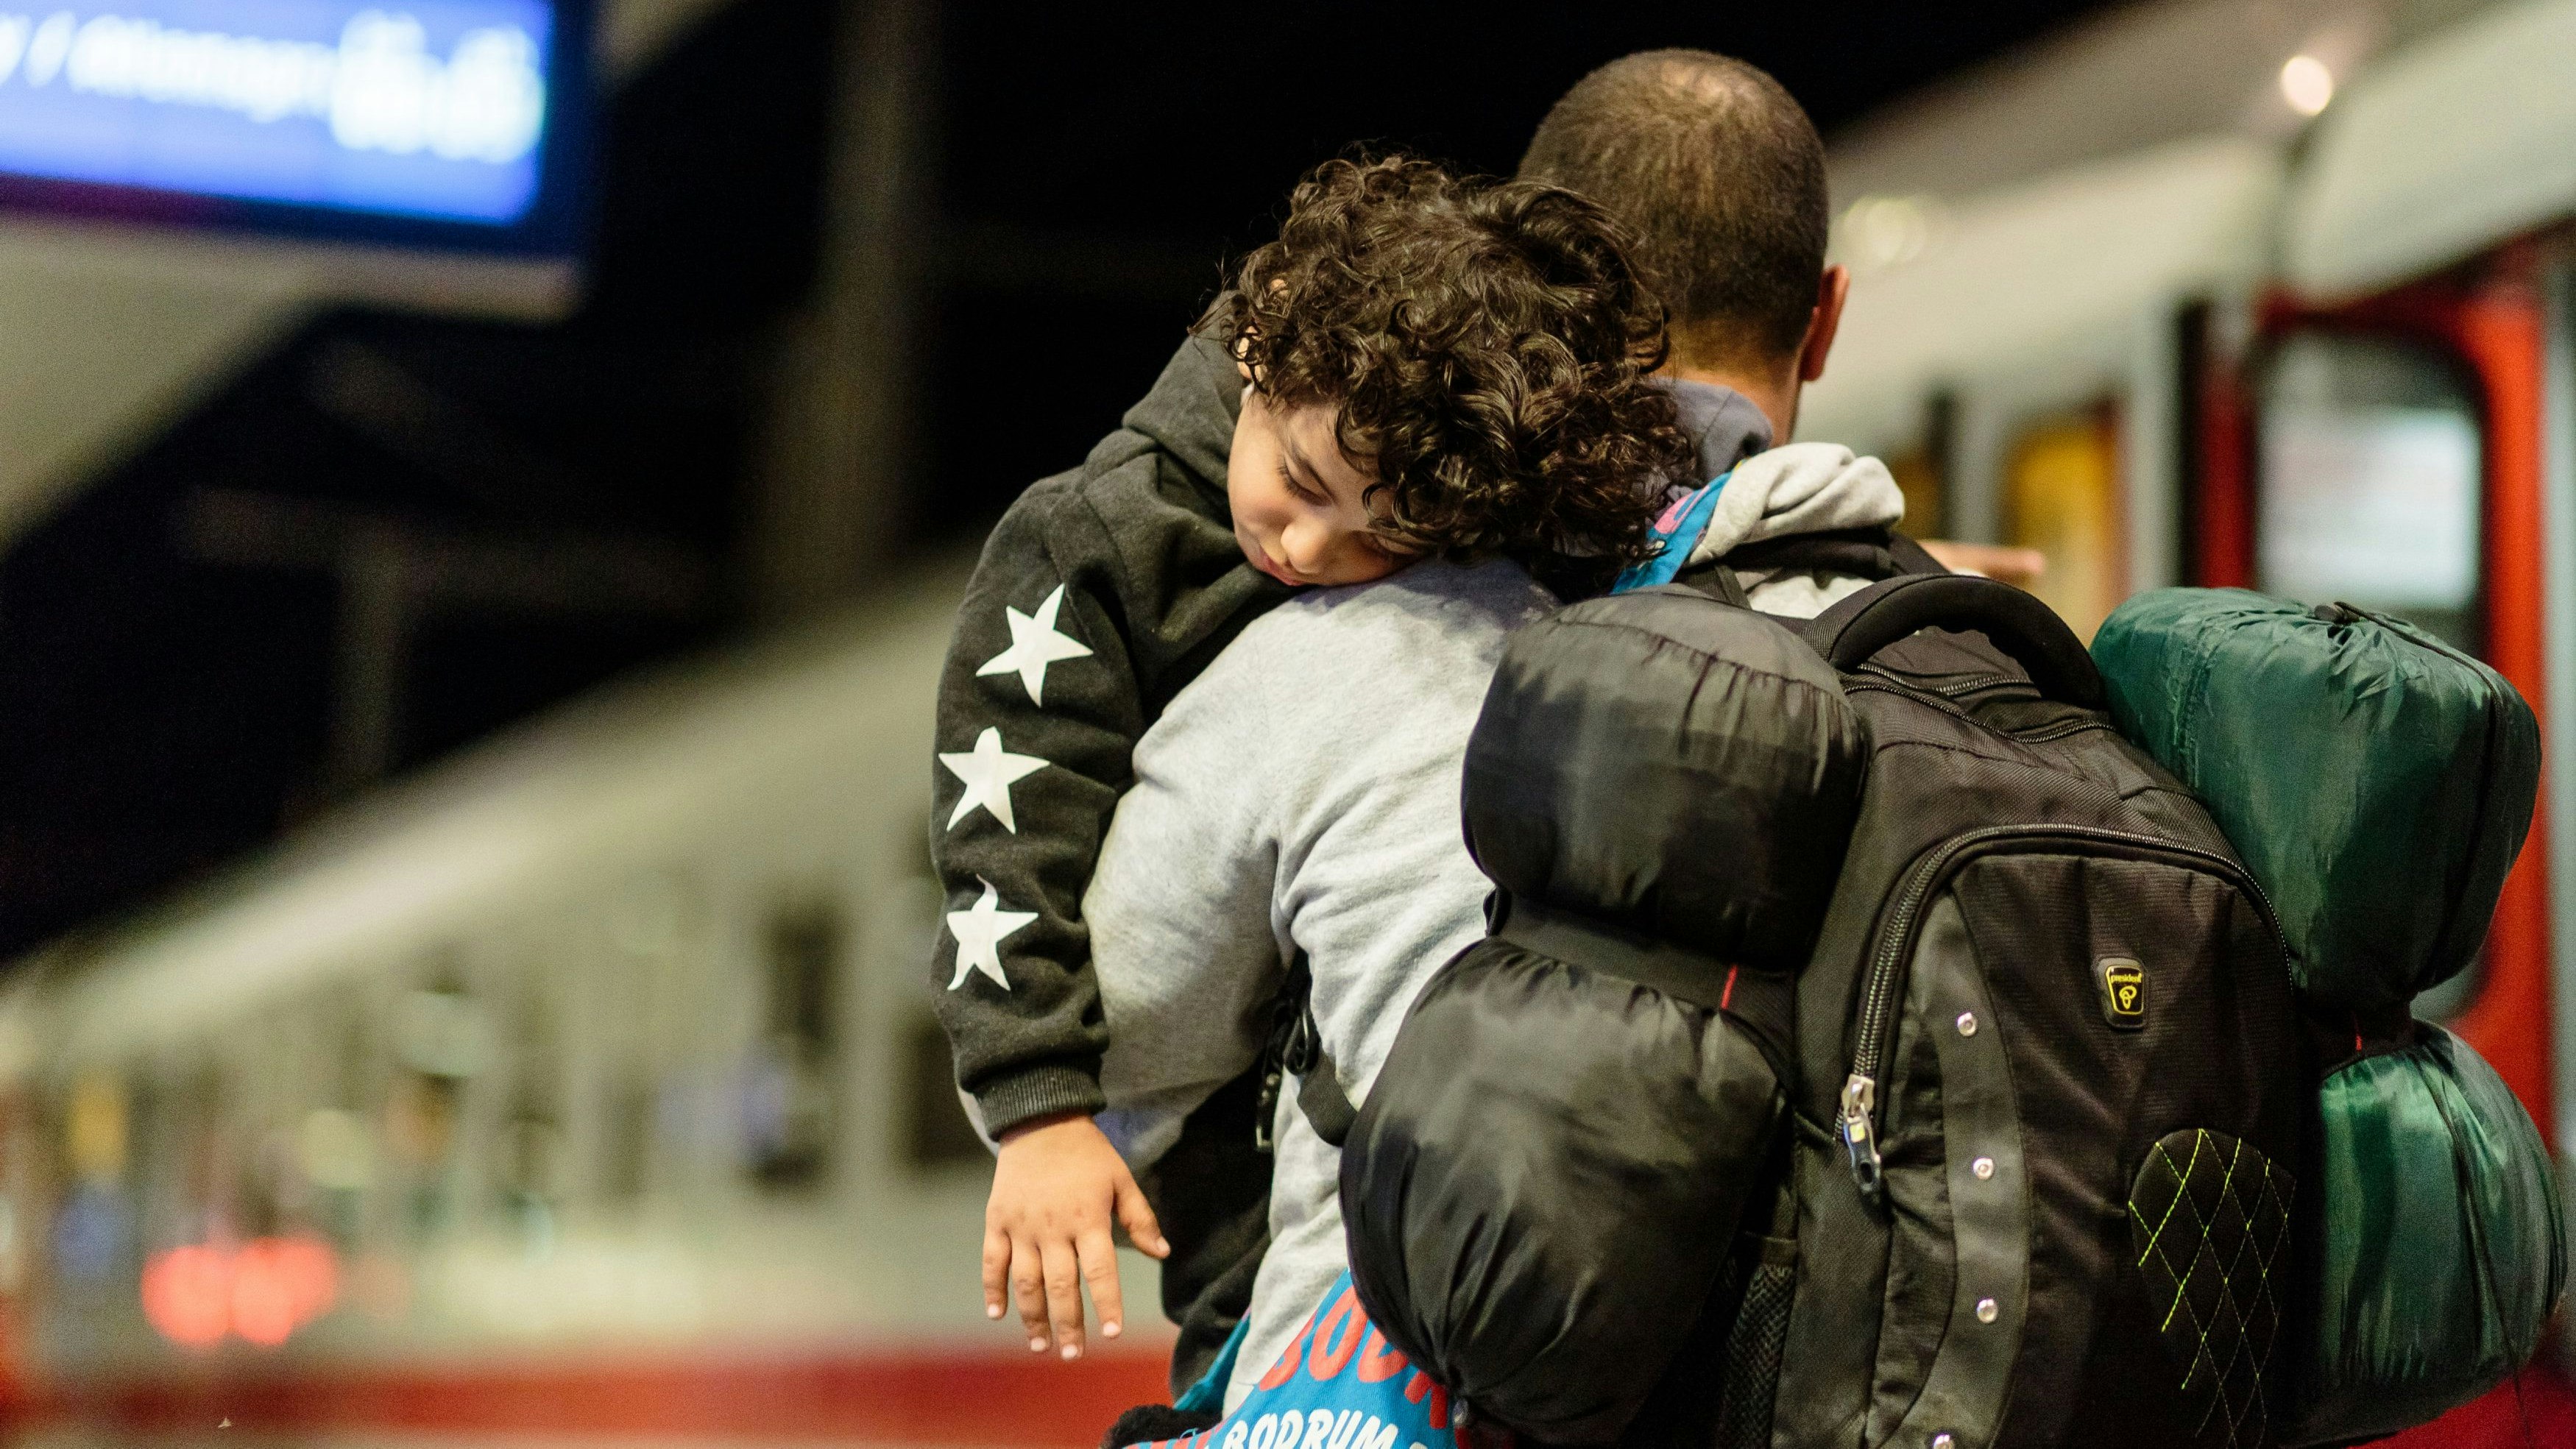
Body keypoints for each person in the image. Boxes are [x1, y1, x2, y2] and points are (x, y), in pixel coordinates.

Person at [937, 153, 1690, 1366]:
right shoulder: (1086, 548)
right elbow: (998, 839)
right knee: (1242, 1339)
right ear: (1262, 341)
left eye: (1381, 533)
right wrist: (1040, 1111)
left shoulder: (1432, 497)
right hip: (1216, 1148)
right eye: (1297, 480)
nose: (1308, 544)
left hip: (1368, 1078)